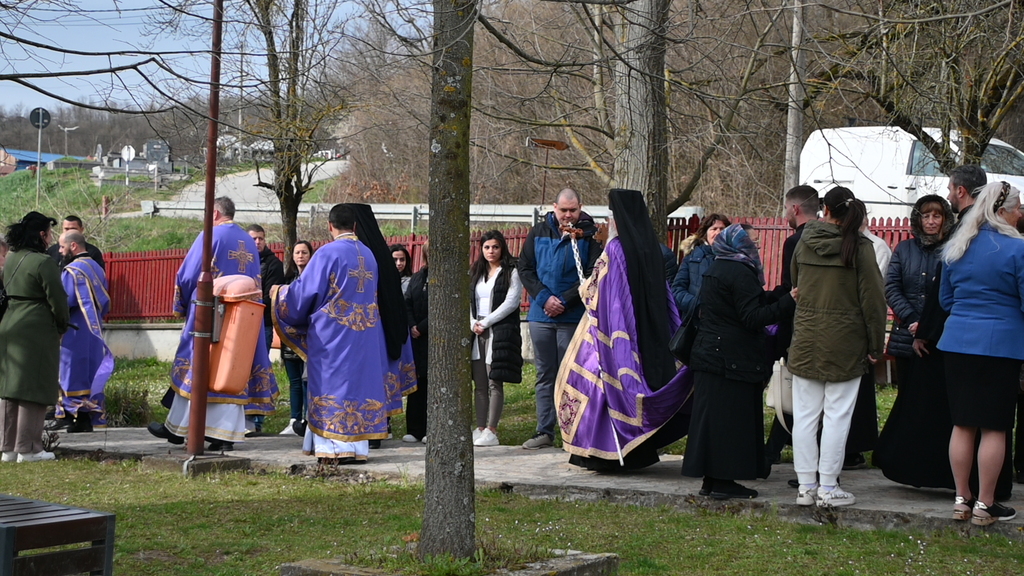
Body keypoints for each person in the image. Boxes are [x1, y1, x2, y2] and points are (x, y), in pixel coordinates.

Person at [556, 188, 692, 471]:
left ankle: (602, 455)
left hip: (613, 331)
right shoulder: (651, 248)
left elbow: (600, 291)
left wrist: (585, 289)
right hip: (646, 334)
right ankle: (637, 453)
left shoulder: (616, 249)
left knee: (597, 386)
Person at [272, 204, 406, 463]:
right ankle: (357, 449)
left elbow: (305, 293)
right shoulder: (368, 254)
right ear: (354, 226)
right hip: (365, 335)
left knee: (333, 385)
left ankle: (334, 448)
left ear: (330, 226)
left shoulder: (327, 252)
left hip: (333, 337)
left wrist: (280, 292)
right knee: (358, 386)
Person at [147, 197, 278, 451]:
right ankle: (223, 435)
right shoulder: (249, 242)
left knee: (197, 368)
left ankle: (180, 429)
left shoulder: (211, 235)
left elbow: (188, 275)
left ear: (215, 213)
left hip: (211, 314)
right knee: (232, 371)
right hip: (242, 318)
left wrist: (182, 305)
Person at [788, 187, 886, 507]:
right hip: (846, 342)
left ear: (825, 210)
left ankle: (806, 487)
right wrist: (876, 345)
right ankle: (828, 487)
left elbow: (796, 284)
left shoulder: (804, 241)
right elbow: (873, 301)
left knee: (805, 417)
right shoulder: (861, 247)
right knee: (837, 418)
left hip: (806, 338)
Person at [683, 223, 796, 498]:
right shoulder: (740, 271)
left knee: (714, 422)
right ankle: (724, 482)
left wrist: (775, 296)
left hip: (711, 355)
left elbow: (737, 305)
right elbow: (752, 317)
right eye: (751, 242)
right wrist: (789, 302)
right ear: (737, 245)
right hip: (731, 360)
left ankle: (712, 480)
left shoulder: (717, 266)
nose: (755, 246)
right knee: (730, 422)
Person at [938, 181, 1024, 525]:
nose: (1020, 214)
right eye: (1018, 208)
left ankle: (962, 499)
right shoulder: (1017, 249)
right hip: (1001, 344)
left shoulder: (957, 246)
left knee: (962, 424)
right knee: (995, 427)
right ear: (1003, 211)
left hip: (957, 342)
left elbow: (946, 300)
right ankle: (985, 504)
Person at [873, 195, 956, 489]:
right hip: (906, 338)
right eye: (926, 216)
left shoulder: (952, 249)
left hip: (940, 340)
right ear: (917, 219)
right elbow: (892, 287)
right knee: (907, 402)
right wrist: (912, 320)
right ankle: (905, 463)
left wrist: (930, 326)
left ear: (945, 219)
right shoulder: (904, 249)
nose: (931, 222)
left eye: (937, 216)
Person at [519, 188, 601, 449]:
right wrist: (544, 298)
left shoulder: (590, 236)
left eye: (572, 210)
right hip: (540, 315)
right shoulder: (538, 232)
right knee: (545, 374)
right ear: (554, 208)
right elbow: (525, 268)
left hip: (571, 317)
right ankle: (544, 430)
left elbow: (591, 275)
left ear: (580, 208)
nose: (568, 215)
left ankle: (576, 433)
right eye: (563, 210)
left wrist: (564, 300)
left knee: (572, 375)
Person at [0, 212, 70, 462]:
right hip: (36, 327)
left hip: (10, 322)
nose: (50, 238)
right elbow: (58, 299)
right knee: (35, 386)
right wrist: (62, 325)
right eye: (49, 233)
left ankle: (8, 448)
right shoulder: (43, 262)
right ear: (42, 234)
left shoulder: (11, 258)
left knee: (10, 388)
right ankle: (29, 448)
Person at [346, 204, 417, 448]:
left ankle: (368, 429)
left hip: (366, 330)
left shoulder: (361, 256)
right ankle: (380, 427)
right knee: (379, 379)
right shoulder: (382, 256)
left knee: (365, 379)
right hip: (386, 327)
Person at [764, 185, 818, 466]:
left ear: (795, 208)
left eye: (786, 209)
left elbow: (790, 287)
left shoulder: (795, 241)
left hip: (797, 325)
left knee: (792, 389)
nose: (786, 214)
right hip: (827, 325)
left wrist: (766, 302)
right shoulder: (834, 238)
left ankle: (773, 450)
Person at [51, 230, 113, 433]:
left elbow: (66, 300)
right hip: (93, 329)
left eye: (62, 247)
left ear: (73, 246)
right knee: (90, 371)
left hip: (74, 328)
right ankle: (85, 418)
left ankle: (69, 417)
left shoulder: (72, 270)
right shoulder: (97, 268)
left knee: (70, 371)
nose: (60, 251)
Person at [470, 231, 523, 447]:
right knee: (480, 383)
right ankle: (480, 427)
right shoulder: (476, 272)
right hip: (477, 331)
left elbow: (511, 302)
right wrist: (473, 323)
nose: (491, 251)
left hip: (498, 330)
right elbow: (468, 301)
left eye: (495, 247)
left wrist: (487, 322)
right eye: (487, 247)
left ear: (502, 248)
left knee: (494, 381)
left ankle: (492, 430)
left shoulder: (511, 271)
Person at [246, 224, 285, 435]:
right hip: (242, 324)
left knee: (260, 369)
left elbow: (270, 297)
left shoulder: (273, 264)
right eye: (253, 239)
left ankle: (257, 420)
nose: (257, 242)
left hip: (263, 325)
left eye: (260, 238)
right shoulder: (243, 261)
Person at [277, 240, 314, 435]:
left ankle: (308, 419)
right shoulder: (288, 279)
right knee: (295, 381)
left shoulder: (315, 277)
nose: (301, 256)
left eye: (304, 252)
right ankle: (294, 419)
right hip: (290, 334)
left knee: (307, 379)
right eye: (297, 252)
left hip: (309, 335)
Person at [671, 213, 730, 320]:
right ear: (706, 233)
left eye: (722, 229)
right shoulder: (692, 258)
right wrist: (698, 308)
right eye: (714, 229)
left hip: (725, 320)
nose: (718, 232)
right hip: (696, 321)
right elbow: (677, 289)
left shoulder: (734, 258)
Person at [404, 244, 428, 443]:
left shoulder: (444, 278)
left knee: (430, 383)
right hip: (416, 338)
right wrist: (412, 324)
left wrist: (422, 327)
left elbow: (441, 307)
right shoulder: (417, 277)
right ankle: (414, 428)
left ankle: (429, 428)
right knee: (416, 381)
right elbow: (407, 302)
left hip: (431, 337)